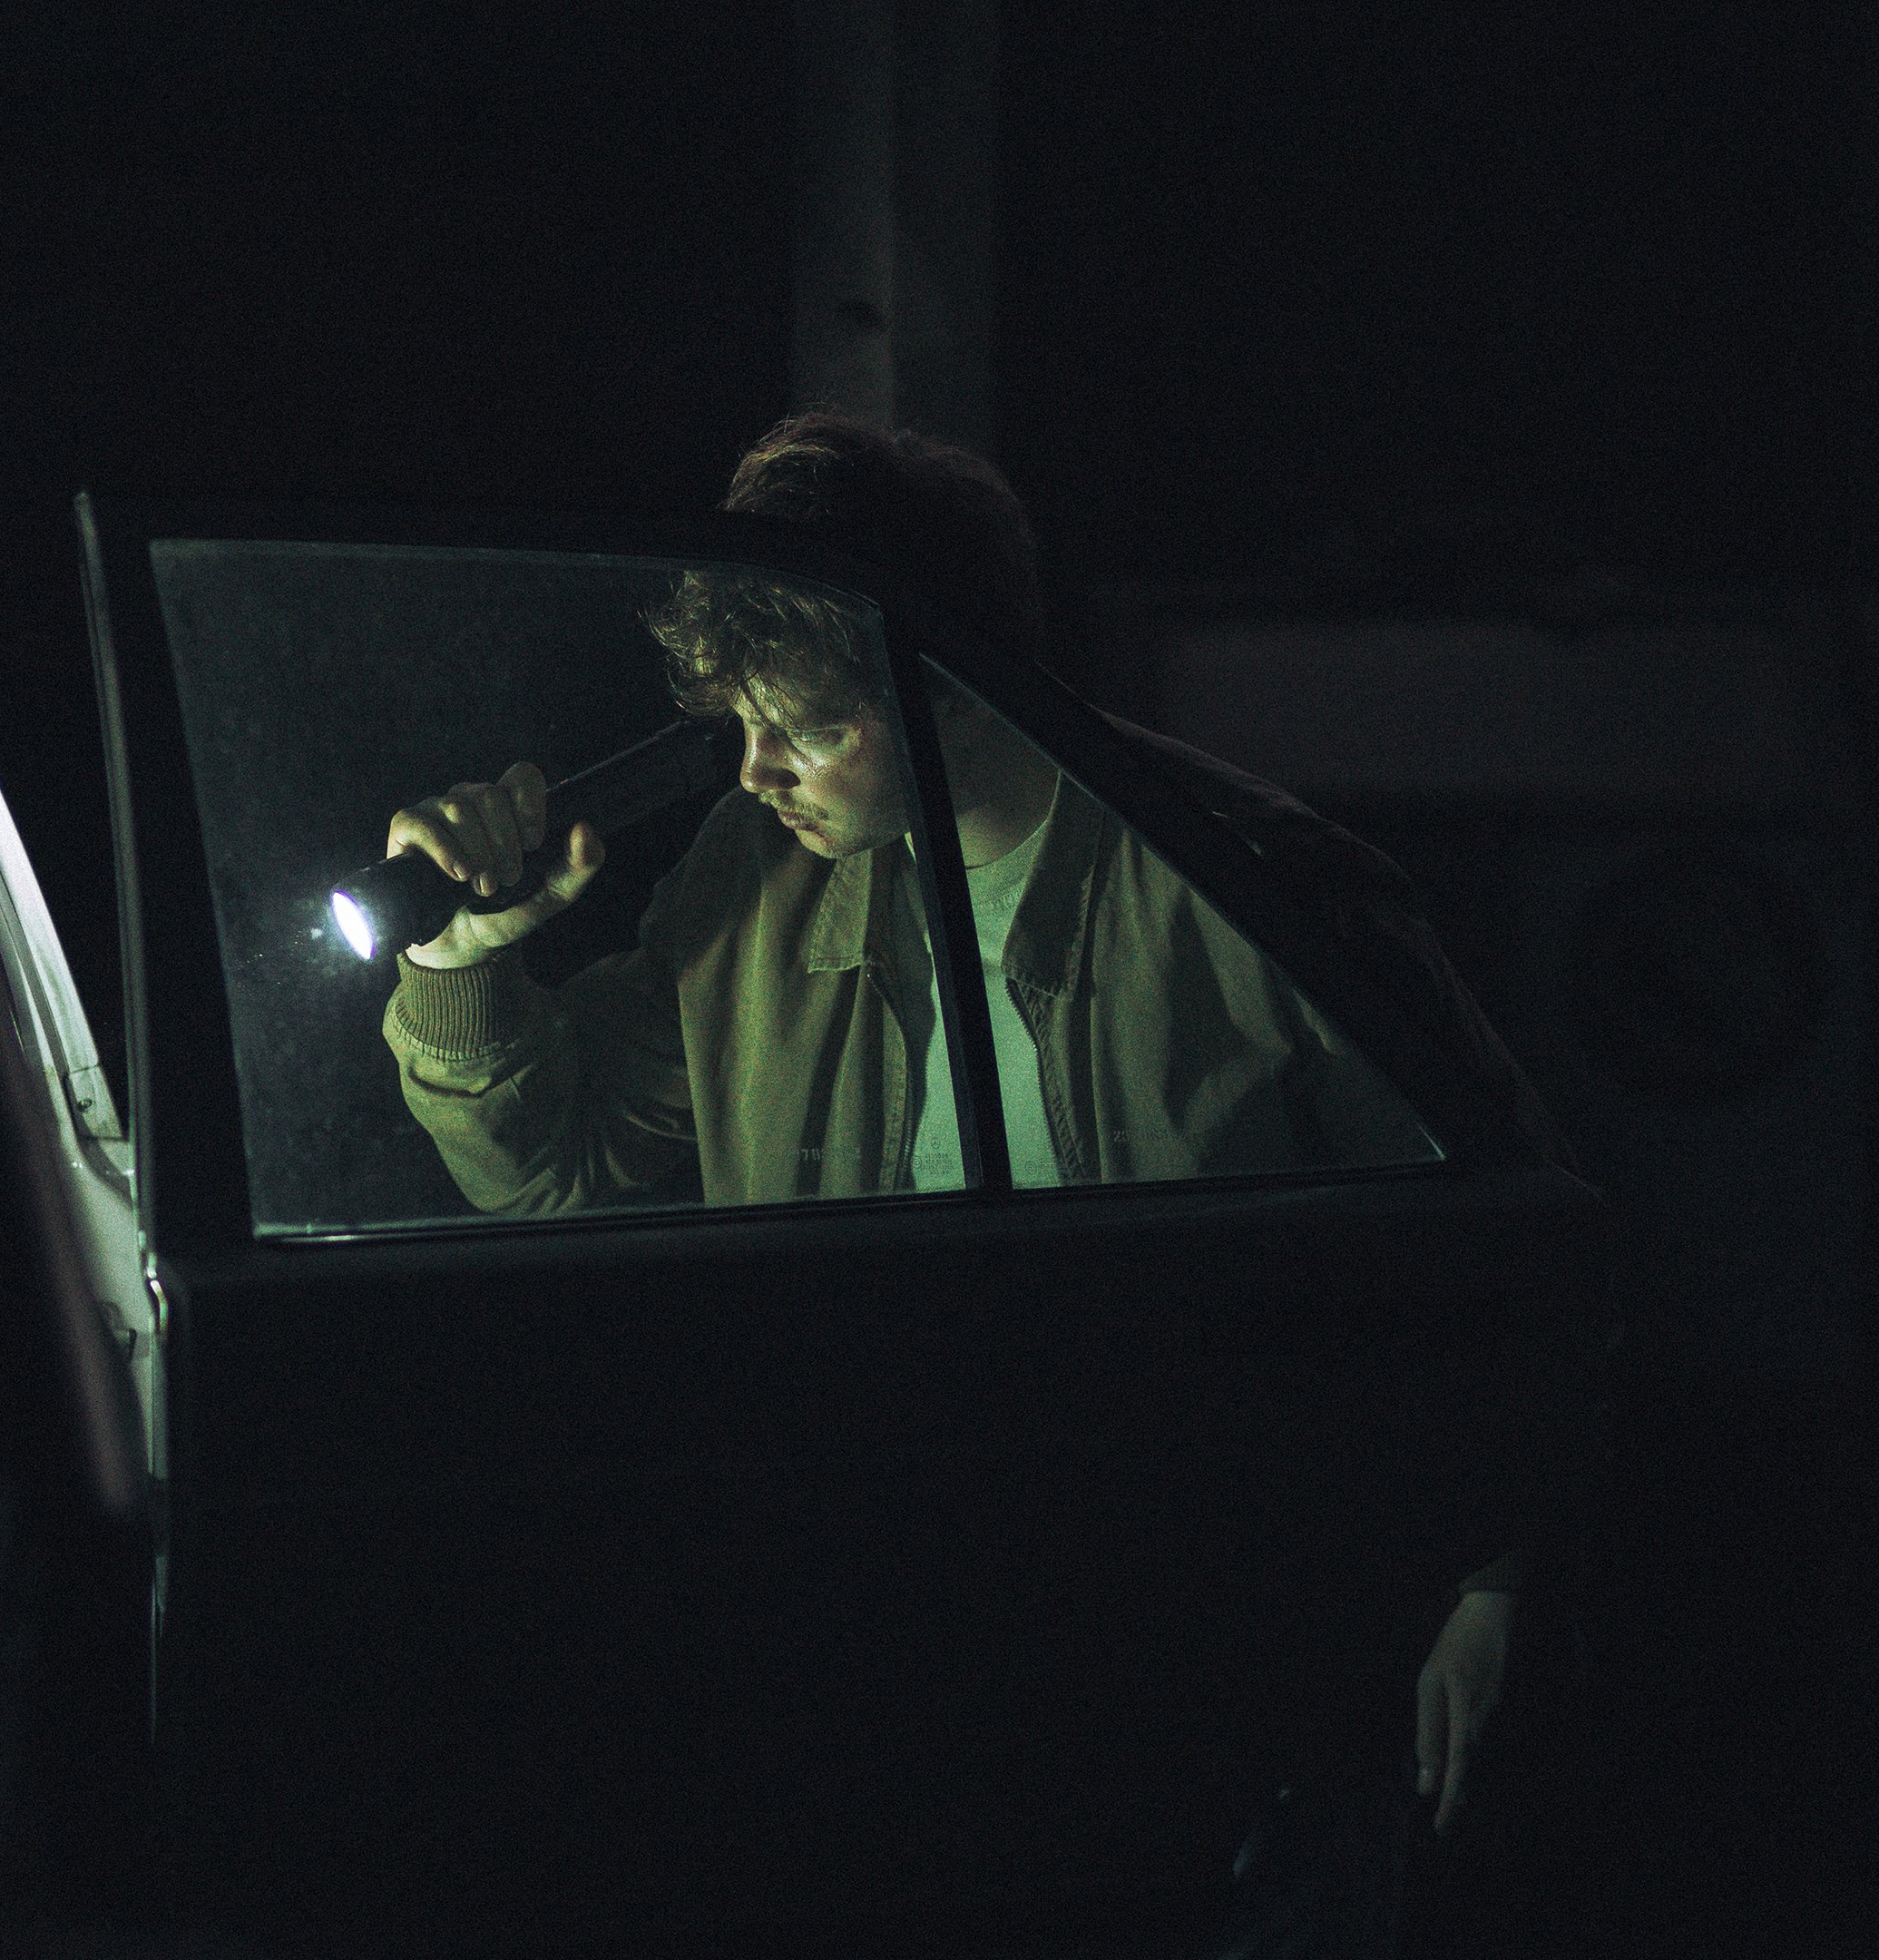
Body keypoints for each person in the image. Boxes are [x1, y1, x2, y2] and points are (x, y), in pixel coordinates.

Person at [374, 413, 1584, 1869]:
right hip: (878, 1639)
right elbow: (552, 1172)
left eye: (809, 728)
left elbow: (1509, 1245)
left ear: (956, 679)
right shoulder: (753, 880)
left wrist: (1486, 1585)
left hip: (1208, 1653)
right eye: (741, 725)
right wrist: (466, 958)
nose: (757, 773)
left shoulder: (1253, 887)